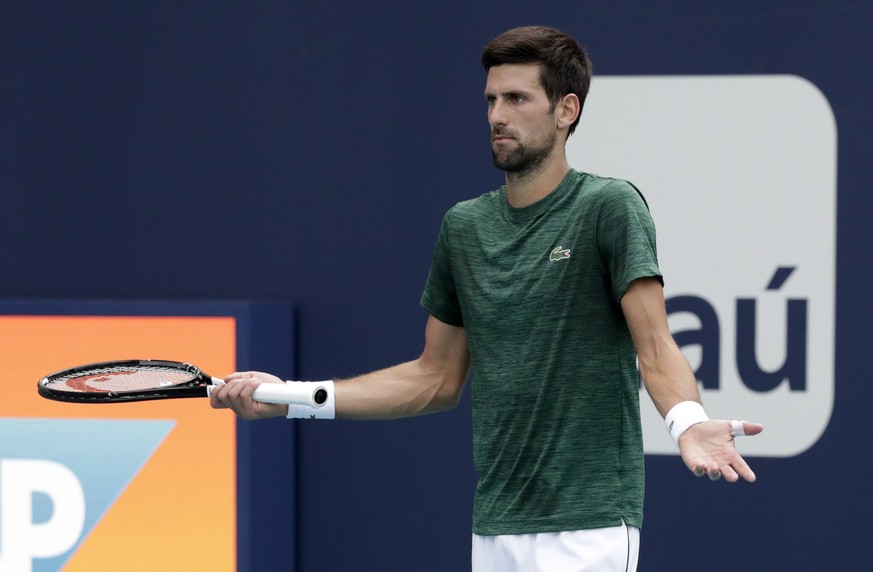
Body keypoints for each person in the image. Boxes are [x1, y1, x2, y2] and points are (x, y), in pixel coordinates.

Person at [211, 25, 763, 572]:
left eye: (518, 98)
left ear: (566, 110)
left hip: (588, 526)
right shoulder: (464, 227)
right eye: (491, 99)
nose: (498, 115)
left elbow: (657, 346)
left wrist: (687, 423)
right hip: (495, 529)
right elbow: (435, 378)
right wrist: (291, 398)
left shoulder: (609, 207)